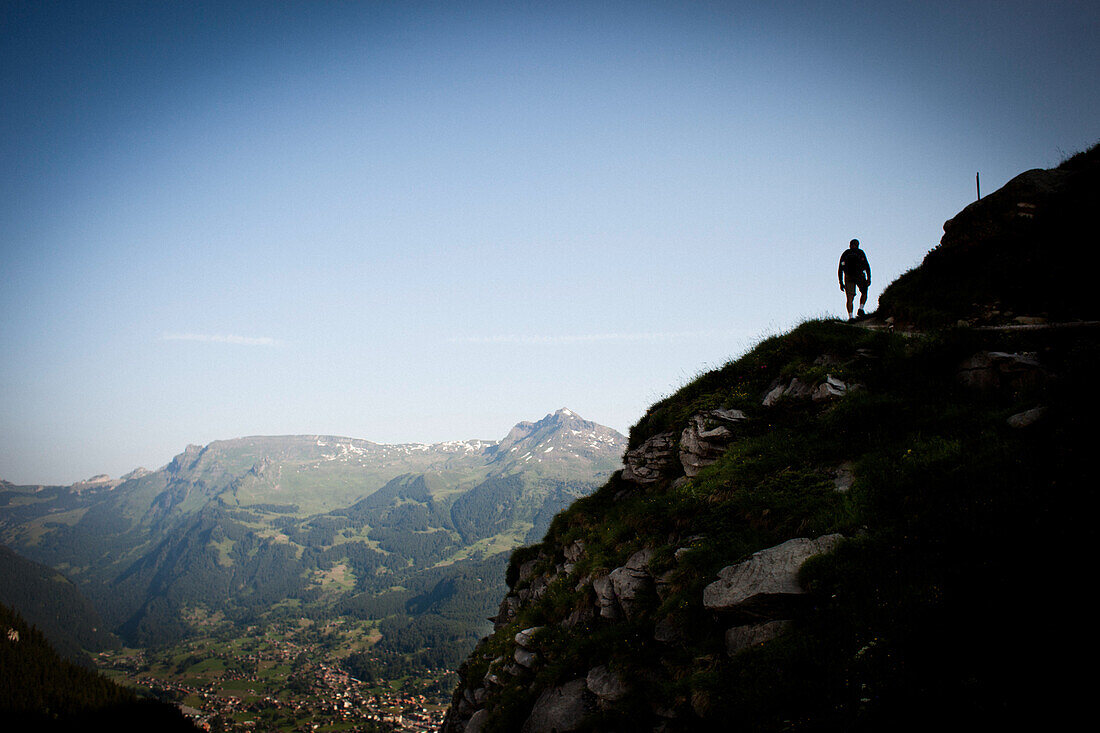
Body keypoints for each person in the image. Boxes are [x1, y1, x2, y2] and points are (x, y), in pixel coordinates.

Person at [838, 238, 871, 321]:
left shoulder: (846, 253)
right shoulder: (860, 252)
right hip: (859, 275)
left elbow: (840, 268)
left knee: (849, 298)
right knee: (864, 292)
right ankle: (861, 308)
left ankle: (851, 317)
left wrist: (841, 282)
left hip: (848, 276)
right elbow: (867, 266)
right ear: (858, 245)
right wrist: (868, 278)